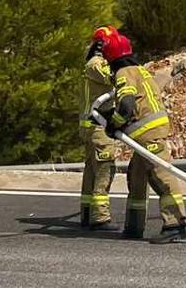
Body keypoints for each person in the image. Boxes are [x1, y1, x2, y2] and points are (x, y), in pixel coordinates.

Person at [91, 30, 186, 242]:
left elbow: (127, 105)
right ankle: (134, 226)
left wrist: (113, 124)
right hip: (147, 132)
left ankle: (175, 225)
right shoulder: (139, 70)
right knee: (137, 176)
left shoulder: (123, 73)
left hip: (147, 133)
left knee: (161, 176)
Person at [79, 26, 121, 230]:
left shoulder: (91, 62)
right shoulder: (96, 64)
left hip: (91, 126)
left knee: (91, 172)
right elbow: (114, 79)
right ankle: (100, 217)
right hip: (98, 127)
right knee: (105, 170)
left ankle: (87, 213)